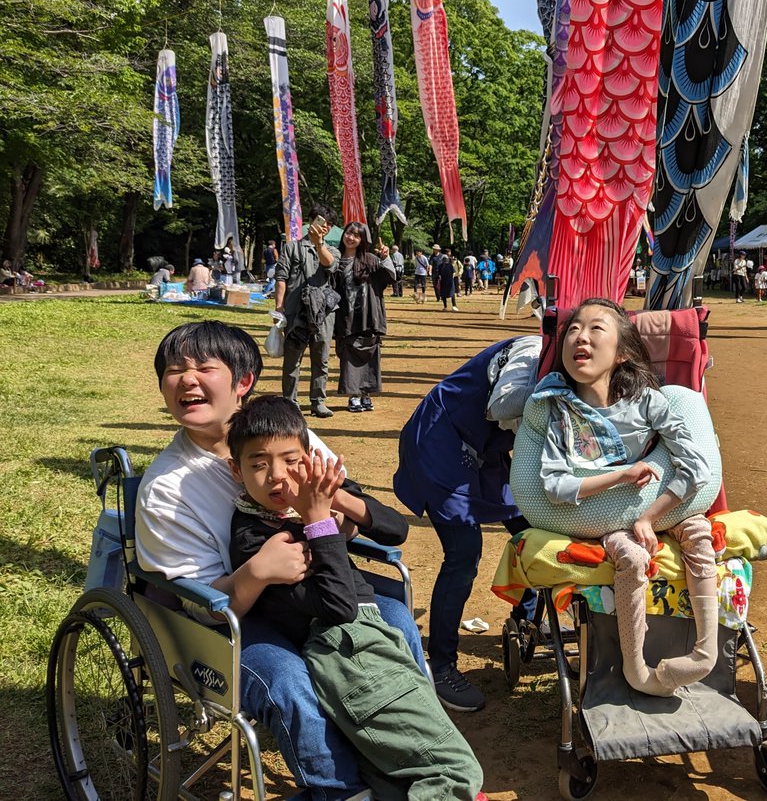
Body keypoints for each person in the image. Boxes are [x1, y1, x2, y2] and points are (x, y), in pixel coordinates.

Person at [135, 321, 425, 798]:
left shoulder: (291, 436)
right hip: (233, 624)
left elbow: (349, 513)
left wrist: (335, 508)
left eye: (204, 367)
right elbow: (197, 604)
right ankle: (342, 791)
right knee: (287, 678)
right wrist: (256, 572)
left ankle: (410, 754)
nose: (186, 380)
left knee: (395, 617)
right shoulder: (168, 488)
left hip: (319, 597)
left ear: (242, 382)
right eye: (173, 371)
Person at [227, 396, 485, 800]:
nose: (278, 476)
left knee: (394, 770)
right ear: (236, 470)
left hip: (369, 640)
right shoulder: (256, 536)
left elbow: (396, 529)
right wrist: (317, 522)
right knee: (455, 772)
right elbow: (338, 607)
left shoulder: (315, 493)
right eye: (259, 464)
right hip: (346, 652)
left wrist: (335, 499)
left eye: (291, 459)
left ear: (310, 457)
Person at [535, 299, 715, 697]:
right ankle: (636, 671)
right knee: (631, 558)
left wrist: (649, 515)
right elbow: (553, 484)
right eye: (573, 329)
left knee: (700, 532)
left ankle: (705, 655)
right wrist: (621, 477)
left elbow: (696, 466)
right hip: (603, 520)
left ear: (622, 353)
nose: (580, 336)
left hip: (660, 507)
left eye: (596, 328)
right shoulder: (560, 412)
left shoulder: (648, 401)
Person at [394, 336, 542, 711]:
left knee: (534, 529)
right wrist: (554, 399)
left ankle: (525, 626)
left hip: (486, 446)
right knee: (464, 552)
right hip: (441, 441)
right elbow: (504, 404)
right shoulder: (531, 353)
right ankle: (441, 668)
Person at [275, 217, 339, 418]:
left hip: (323, 313)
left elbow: (330, 265)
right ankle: (290, 402)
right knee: (293, 358)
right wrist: (279, 307)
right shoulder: (291, 248)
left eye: (328, 225)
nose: (324, 227)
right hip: (295, 312)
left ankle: (318, 401)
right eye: (320, 222)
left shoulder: (332, 249)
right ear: (310, 223)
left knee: (321, 357)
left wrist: (319, 243)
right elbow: (281, 278)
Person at [334, 222, 395, 414]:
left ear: (362, 240)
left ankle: (366, 392)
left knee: (370, 353)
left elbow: (391, 277)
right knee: (348, 355)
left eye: (356, 235)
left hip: (369, 314)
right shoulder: (335, 259)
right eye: (348, 233)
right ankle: (354, 395)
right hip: (346, 315)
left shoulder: (370, 260)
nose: (350, 238)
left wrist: (386, 258)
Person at [438, 248, 459, 312]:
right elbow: (453, 273)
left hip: (446, 281)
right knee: (448, 294)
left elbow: (439, 275)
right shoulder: (446, 265)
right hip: (447, 281)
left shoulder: (445, 265)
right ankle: (450, 306)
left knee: (448, 294)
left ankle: (449, 306)